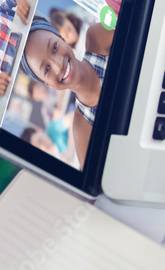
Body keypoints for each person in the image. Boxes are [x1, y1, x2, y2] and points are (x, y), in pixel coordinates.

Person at [21, 17, 114, 167]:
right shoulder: (82, 128)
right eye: (46, 69)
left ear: (62, 38)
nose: (58, 65)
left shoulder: (96, 38)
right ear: (48, 84)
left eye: (54, 47)